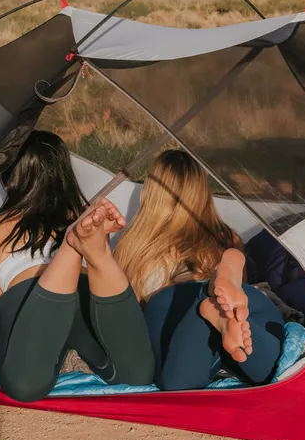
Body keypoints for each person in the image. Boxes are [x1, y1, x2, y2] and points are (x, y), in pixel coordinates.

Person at [0, 131, 154, 402]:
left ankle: (69, 249)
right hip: (85, 291)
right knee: (134, 375)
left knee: (24, 385)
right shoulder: (79, 217)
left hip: (26, 294)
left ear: (12, 176)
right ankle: (97, 257)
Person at [114, 150, 286, 391]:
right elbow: (239, 299)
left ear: (151, 191)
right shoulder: (225, 236)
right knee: (267, 374)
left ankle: (209, 295)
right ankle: (226, 270)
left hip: (171, 304)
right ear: (203, 192)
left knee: (177, 383)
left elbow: (124, 308)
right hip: (248, 299)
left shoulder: (133, 244)